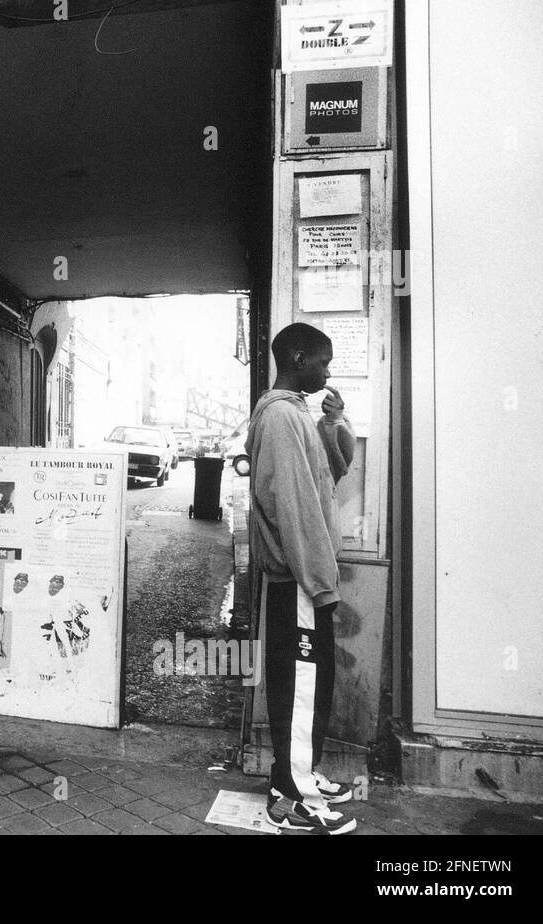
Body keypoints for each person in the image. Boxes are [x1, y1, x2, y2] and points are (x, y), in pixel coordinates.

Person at [246, 322, 357, 835]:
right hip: (301, 581)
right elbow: (294, 507)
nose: (328, 371)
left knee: (311, 686)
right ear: (297, 357)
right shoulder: (280, 418)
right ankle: (291, 801)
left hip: (306, 579)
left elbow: (328, 478)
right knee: (301, 690)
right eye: (323, 362)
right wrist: (319, 580)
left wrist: (336, 423)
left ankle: (295, 775)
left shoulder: (297, 415)